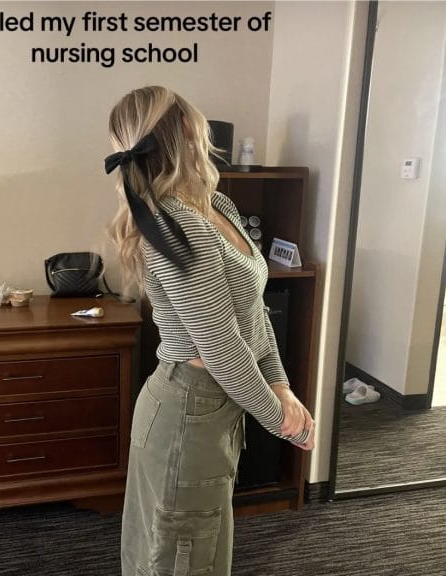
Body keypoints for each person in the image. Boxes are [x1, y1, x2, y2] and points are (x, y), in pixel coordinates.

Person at [105, 86, 315, 576]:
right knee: (181, 558)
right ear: (183, 130)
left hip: (214, 407)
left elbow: (253, 311)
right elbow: (220, 350)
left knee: (195, 549)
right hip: (188, 411)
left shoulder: (215, 204)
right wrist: (283, 420)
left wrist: (281, 386)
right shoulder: (176, 224)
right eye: (198, 121)